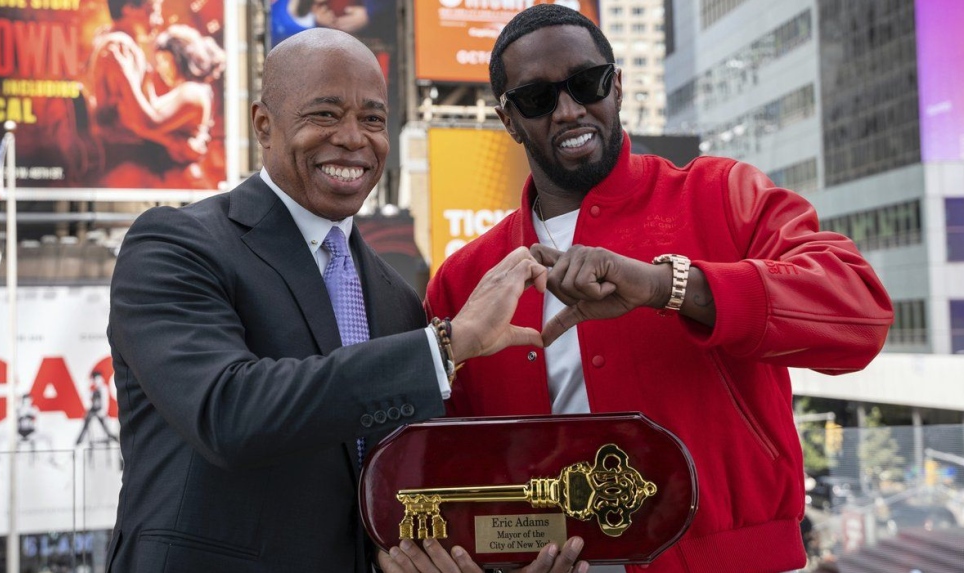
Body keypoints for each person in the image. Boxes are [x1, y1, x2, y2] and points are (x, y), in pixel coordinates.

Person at [400, 5, 894, 573]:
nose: (568, 110)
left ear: (617, 85)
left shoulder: (721, 194)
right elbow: (449, 474)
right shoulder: (465, 279)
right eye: (537, 99)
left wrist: (671, 286)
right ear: (507, 120)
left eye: (588, 83)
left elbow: (862, 313)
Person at [105, 27, 549, 573]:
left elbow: (396, 485)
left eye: (373, 119)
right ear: (263, 126)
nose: (353, 138)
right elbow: (228, 411)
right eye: (325, 114)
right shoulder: (175, 244)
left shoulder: (398, 299)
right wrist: (445, 347)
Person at [108, 23, 227, 189]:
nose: (160, 68)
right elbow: (151, 110)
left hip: (186, 185)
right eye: (158, 61)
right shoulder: (185, 90)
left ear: (181, 58)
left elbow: (149, 122)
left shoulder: (192, 92)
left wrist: (125, 75)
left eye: (165, 60)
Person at [75, 371, 120, 447]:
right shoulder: (94, 389)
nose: (96, 381)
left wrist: (103, 411)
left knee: (106, 428)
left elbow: (105, 400)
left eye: (96, 379)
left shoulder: (103, 388)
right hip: (93, 410)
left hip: (100, 410)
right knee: (86, 424)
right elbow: (86, 397)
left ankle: (114, 439)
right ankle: (79, 442)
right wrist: (88, 386)